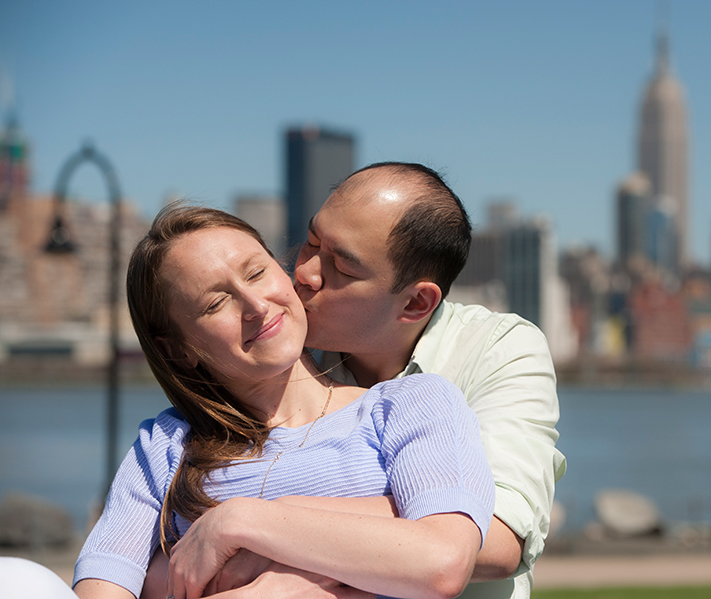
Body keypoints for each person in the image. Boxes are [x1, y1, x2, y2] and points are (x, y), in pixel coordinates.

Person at [72, 204, 495, 599]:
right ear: (178, 349)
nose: (256, 305)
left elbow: (442, 562)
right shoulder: (166, 444)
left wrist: (239, 522)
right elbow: (103, 585)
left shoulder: (410, 403)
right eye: (216, 302)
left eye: (256, 272)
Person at [289, 162, 566, 599]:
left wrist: (265, 519)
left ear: (417, 301)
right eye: (310, 241)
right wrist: (431, 515)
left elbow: (495, 539)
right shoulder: (282, 353)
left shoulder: (497, 350)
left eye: (340, 266)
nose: (305, 273)